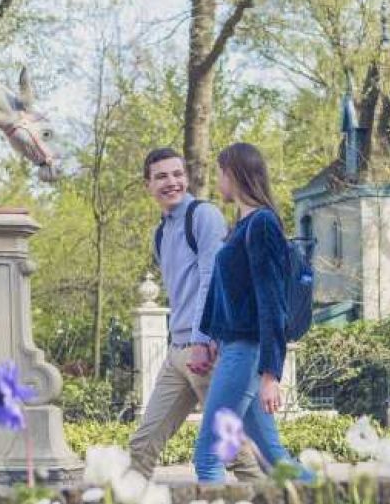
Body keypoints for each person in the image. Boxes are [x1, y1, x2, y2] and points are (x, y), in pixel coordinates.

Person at [127, 148, 265, 481]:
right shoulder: (159, 234)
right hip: (177, 355)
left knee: (234, 452)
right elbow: (180, 292)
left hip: (205, 352)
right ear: (148, 184)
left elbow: (212, 280)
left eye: (177, 174)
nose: (171, 182)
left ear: (186, 178)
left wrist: (204, 340)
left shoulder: (203, 216)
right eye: (161, 176)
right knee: (142, 445)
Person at [195, 143, 311, 483]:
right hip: (234, 348)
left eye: (220, 172)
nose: (218, 180)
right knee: (275, 459)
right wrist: (213, 335)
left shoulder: (262, 224)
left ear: (233, 174)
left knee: (209, 456)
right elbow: (229, 291)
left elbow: (271, 301)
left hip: (247, 352)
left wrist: (271, 375)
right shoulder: (242, 227)